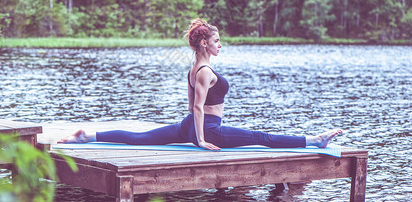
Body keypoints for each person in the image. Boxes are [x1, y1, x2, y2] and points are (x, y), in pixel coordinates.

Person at [58, 18, 342, 150]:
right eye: (218, 41)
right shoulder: (204, 70)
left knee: (142, 137)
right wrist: (202, 140)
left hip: (190, 126)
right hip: (209, 130)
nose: (222, 45)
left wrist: (193, 133)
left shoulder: (195, 68)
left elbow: (192, 106)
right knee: (260, 138)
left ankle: (88, 136)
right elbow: (197, 106)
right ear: (206, 43)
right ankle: (314, 141)